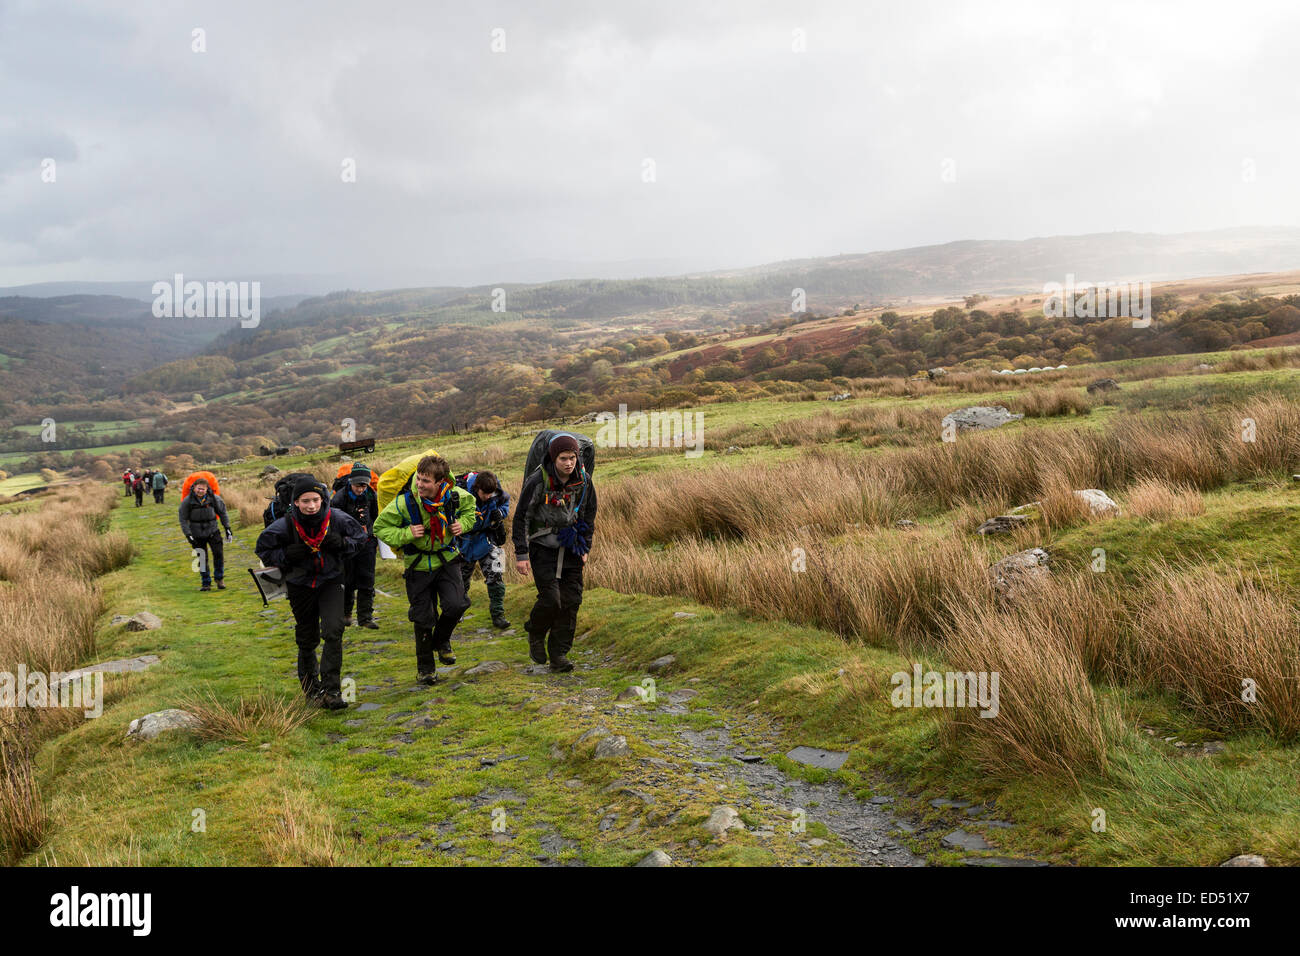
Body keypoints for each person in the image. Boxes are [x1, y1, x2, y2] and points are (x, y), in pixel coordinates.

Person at [256, 477, 367, 709]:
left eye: (316, 500)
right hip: (300, 584)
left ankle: (332, 691)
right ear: (296, 502)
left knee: (334, 631)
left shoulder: (336, 519)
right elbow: (263, 548)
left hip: (331, 581)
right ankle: (311, 691)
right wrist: (286, 556)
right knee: (307, 639)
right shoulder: (285, 525)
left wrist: (342, 544)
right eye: (305, 501)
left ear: (323, 499)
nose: (311, 506)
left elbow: (361, 538)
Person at [373, 454, 475, 685]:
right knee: (423, 618)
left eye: (426, 481)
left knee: (457, 604)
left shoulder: (456, 497)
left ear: (441, 483)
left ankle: (442, 641)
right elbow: (379, 527)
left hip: (447, 560)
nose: (419, 485)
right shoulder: (405, 503)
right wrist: (406, 534)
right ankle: (426, 670)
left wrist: (463, 525)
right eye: (418, 479)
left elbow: (470, 511)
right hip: (417, 566)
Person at [512, 434, 597, 672]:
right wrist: (522, 554)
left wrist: (585, 546)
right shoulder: (537, 480)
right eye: (563, 458)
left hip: (572, 546)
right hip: (542, 548)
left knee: (571, 602)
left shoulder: (584, 481)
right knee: (551, 600)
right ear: (553, 457)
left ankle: (559, 655)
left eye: (572, 458)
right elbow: (521, 517)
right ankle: (536, 632)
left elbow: (589, 513)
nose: (568, 463)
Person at [455, 470, 511, 629]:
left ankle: (498, 615)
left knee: (497, 574)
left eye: (490, 493)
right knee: (460, 580)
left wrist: (500, 513)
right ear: (476, 488)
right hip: (465, 542)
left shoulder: (497, 492)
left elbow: (505, 504)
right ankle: (457, 612)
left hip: (489, 539)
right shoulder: (461, 494)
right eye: (484, 493)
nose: (487, 496)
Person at [330, 464, 379, 629]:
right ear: (351, 481)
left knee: (367, 579)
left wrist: (373, 538)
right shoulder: (338, 499)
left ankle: (365, 618)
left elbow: (375, 517)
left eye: (364, 485)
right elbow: (333, 524)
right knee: (348, 580)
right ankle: (346, 615)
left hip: (367, 543)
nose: (361, 488)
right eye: (358, 485)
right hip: (347, 545)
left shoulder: (371, 495)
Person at [178, 478, 232, 591]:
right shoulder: (187, 501)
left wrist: (227, 528)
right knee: (202, 558)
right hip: (196, 533)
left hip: (213, 531)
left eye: (203, 489)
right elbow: (183, 519)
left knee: (218, 555)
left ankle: (219, 579)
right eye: (198, 488)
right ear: (194, 488)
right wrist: (188, 535)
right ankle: (206, 582)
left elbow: (223, 513)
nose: (200, 491)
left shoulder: (214, 499)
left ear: (207, 489)